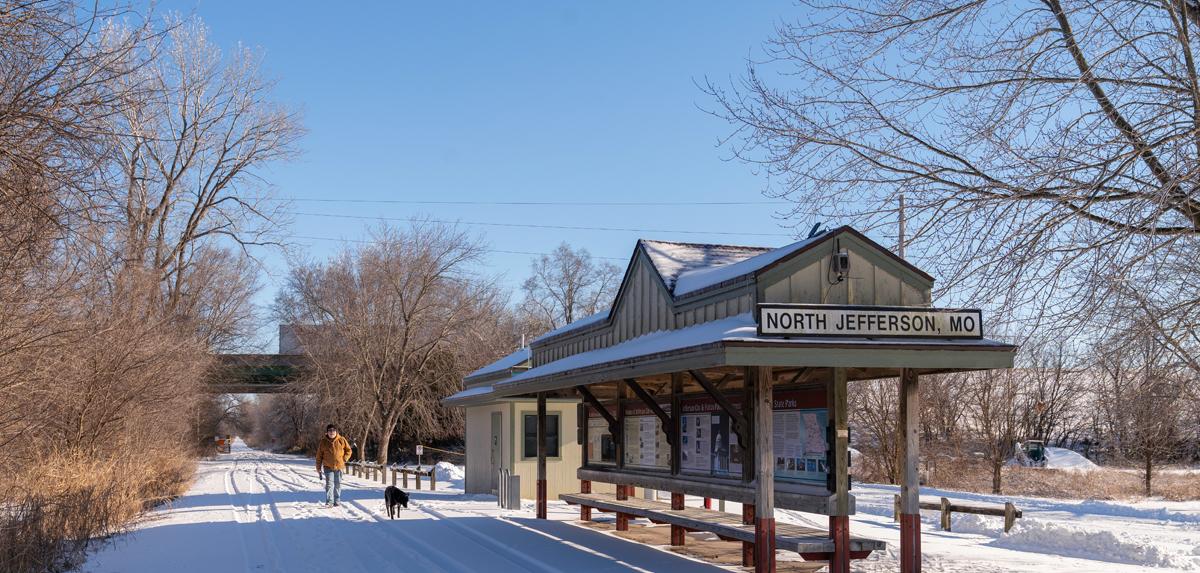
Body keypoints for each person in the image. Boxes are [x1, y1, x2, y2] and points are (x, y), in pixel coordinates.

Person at [315, 424, 353, 506]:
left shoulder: (341, 440)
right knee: (329, 484)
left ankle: (337, 500)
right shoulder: (323, 442)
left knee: (338, 484)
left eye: (333, 430)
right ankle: (329, 501)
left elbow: (349, 451)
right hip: (327, 467)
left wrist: (344, 459)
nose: (331, 432)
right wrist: (318, 467)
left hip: (339, 466)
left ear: (336, 431)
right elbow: (319, 456)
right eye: (330, 431)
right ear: (327, 432)